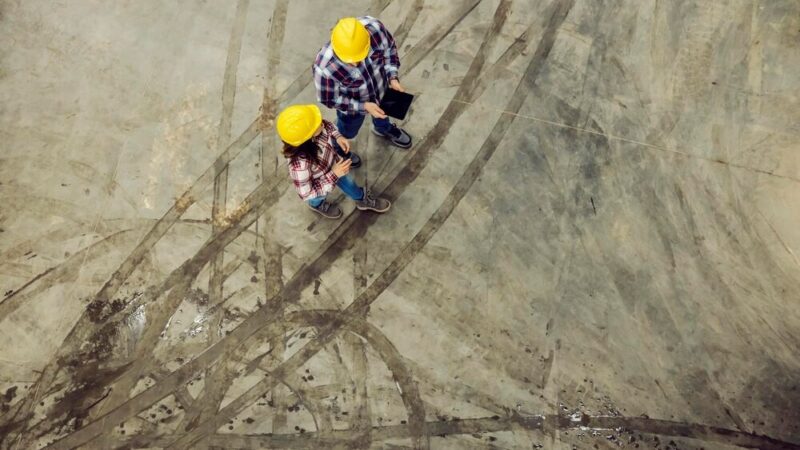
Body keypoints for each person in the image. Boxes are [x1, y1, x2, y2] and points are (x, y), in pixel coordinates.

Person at [313, 16, 413, 168]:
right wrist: (363, 106)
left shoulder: (376, 29)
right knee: (347, 131)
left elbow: (390, 50)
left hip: (382, 92)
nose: (355, 63)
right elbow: (330, 99)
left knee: (383, 115)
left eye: (360, 56)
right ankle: (338, 148)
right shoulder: (324, 67)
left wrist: (393, 77)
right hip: (353, 110)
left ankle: (383, 128)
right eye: (349, 60)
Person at [276, 104, 391, 219]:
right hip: (322, 181)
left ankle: (362, 199)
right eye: (317, 124)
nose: (322, 123)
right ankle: (316, 205)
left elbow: (328, 126)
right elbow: (306, 193)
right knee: (318, 198)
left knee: (350, 184)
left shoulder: (317, 127)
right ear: (307, 138)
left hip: (335, 164)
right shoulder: (299, 166)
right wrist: (334, 174)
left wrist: (338, 137)